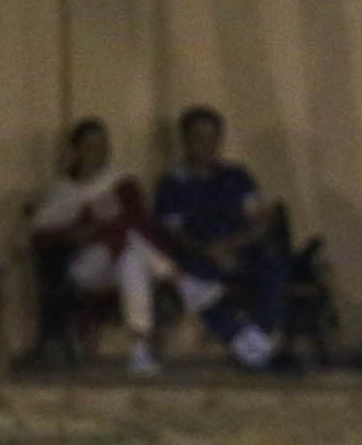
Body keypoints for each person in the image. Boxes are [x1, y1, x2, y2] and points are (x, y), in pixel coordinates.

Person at [30, 119, 224, 376]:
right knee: (128, 240)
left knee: (131, 258)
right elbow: (40, 236)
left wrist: (99, 228)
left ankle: (139, 351)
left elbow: (136, 218)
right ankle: (180, 280)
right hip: (84, 266)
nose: (98, 153)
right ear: (75, 150)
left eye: (103, 146)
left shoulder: (121, 184)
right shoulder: (61, 190)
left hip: (117, 258)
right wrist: (72, 234)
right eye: (90, 147)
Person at [153, 106, 288, 369]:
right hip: (199, 254)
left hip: (239, 248)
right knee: (192, 281)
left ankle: (257, 340)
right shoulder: (172, 184)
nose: (206, 146)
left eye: (212, 139)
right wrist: (210, 250)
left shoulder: (236, 177)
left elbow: (259, 221)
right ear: (185, 141)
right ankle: (245, 343)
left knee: (272, 265)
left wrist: (230, 246)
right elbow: (174, 233)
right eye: (199, 138)